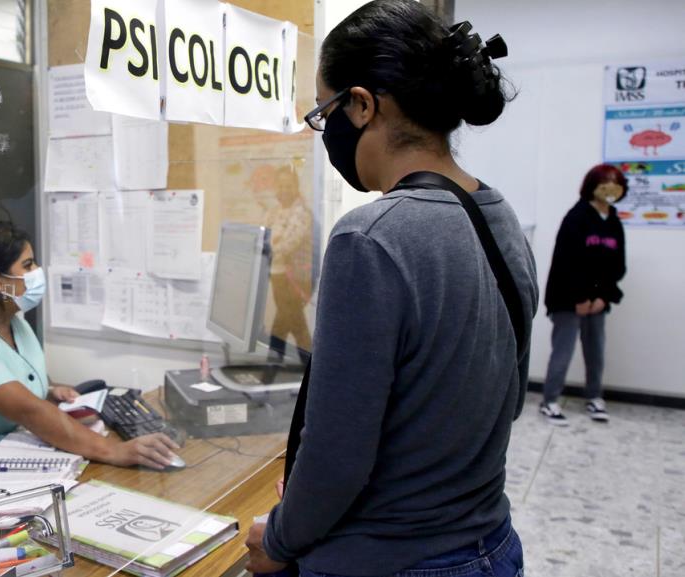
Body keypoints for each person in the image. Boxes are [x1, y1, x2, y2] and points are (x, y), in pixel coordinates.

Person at [244, 2, 539, 576]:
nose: (325, 130)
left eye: (324, 112)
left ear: (360, 104)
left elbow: (337, 454)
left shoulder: (371, 236)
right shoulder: (499, 215)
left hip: (390, 560)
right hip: (491, 548)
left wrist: (277, 540)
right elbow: (509, 399)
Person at [0, 221, 179, 495]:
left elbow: (21, 377)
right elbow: (28, 411)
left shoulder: (14, 322)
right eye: (28, 265)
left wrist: (50, 390)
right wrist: (113, 451)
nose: (38, 271)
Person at [539, 164, 627, 425]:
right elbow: (567, 262)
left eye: (616, 181)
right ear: (593, 185)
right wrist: (579, 298)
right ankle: (550, 402)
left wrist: (603, 297)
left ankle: (594, 397)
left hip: (599, 301)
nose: (610, 187)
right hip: (569, 300)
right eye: (605, 181)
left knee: (596, 351)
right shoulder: (576, 217)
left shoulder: (613, 220)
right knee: (563, 351)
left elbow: (617, 265)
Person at [265, 165, 314, 355]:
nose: (284, 190)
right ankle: (308, 374)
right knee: (291, 324)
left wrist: (272, 246)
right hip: (277, 276)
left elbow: (285, 246)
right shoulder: (274, 212)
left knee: (287, 326)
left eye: (289, 186)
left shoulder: (301, 213)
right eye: (281, 186)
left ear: (296, 187)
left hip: (295, 279)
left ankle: (269, 373)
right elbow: (265, 241)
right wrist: (272, 246)